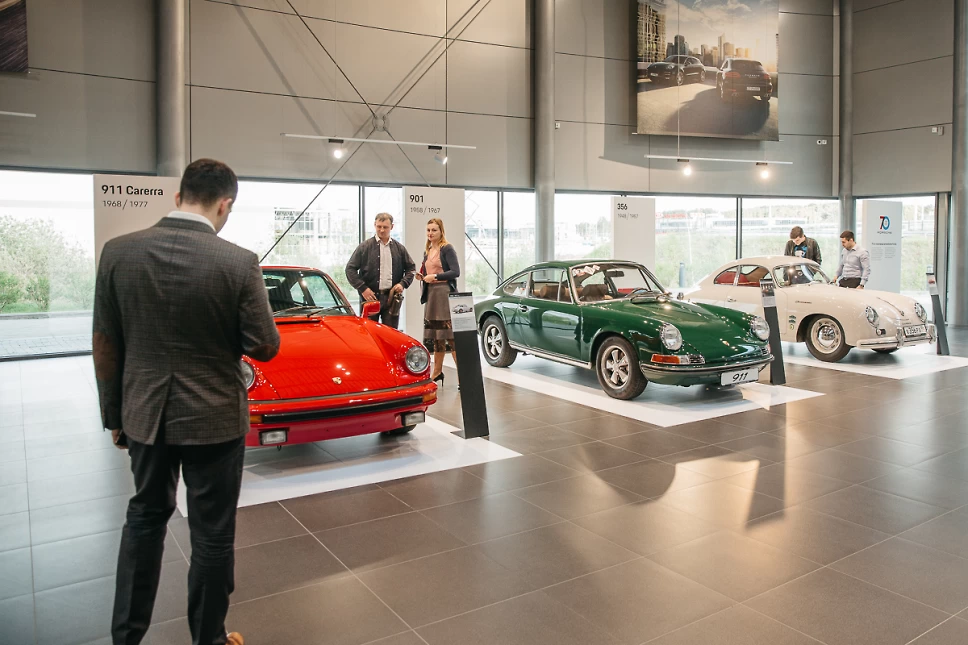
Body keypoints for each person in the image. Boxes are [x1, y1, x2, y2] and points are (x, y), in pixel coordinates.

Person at [93, 159, 280, 645]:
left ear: (178, 197)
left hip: (144, 415)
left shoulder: (118, 252)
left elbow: (105, 343)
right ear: (225, 205)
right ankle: (209, 640)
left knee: (144, 519)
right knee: (212, 535)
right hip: (215, 418)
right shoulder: (238, 261)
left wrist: (114, 416)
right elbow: (264, 345)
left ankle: (126, 638)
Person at [345, 213, 416, 328]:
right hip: (370, 298)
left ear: (392, 227)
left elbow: (411, 269)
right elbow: (350, 269)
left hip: (391, 299)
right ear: (374, 225)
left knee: (391, 334)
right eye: (379, 226)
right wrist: (363, 288)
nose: (382, 230)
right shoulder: (364, 247)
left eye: (385, 227)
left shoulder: (399, 248)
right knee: (369, 333)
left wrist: (403, 284)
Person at [415, 218, 460, 386]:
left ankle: (463, 376)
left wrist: (435, 276)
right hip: (432, 295)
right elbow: (427, 271)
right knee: (437, 337)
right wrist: (422, 276)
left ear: (441, 231)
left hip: (444, 294)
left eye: (434, 230)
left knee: (450, 336)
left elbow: (455, 272)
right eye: (428, 230)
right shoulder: (427, 250)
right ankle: (437, 371)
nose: (430, 233)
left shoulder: (447, 248)